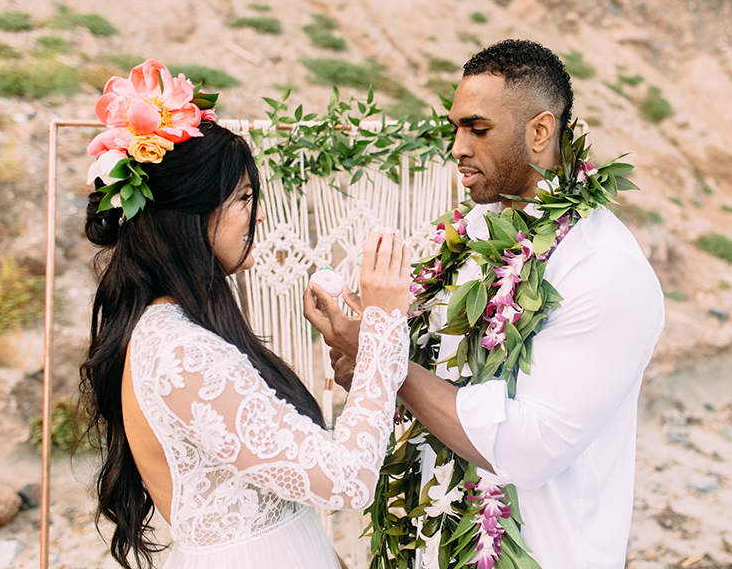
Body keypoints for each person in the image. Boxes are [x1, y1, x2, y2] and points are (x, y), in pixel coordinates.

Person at [307, 39, 665, 569]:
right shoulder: (469, 234)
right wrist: (363, 363)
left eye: (477, 128)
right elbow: (431, 383)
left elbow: (530, 447)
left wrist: (384, 360)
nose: (457, 147)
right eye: (454, 128)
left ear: (540, 132)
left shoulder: (604, 266)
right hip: (427, 543)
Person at [79, 60, 412, 569]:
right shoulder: (181, 354)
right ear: (188, 218)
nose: (259, 215)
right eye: (243, 198)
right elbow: (349, 479)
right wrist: (384, 326)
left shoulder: (171, 334)